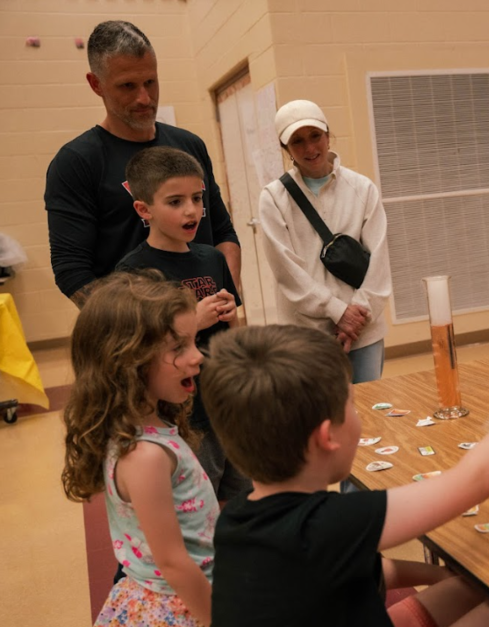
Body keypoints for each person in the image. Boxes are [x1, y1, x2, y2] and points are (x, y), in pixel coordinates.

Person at [202, 324, 489, 627]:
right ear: (327, 437)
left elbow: (369, 571)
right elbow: (476, 481)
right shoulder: (327, 525)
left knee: (473, 590)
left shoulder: (237, 517)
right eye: (353, 407)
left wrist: (442, 575)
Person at [60, 272, 217, 627]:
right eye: (178, 347)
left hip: (180, 598)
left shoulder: (145, 427)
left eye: (194, 341)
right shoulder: (145, 455)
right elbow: (172, 560)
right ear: (127, 362)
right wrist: (224, 626)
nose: (197, 356)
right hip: (182, 615)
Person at [45, 20, 240, 308]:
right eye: (128, 86)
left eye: (150, 82)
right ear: (95, 84)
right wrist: (150, 330)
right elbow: (71, 271)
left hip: (210, 331)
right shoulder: (77, 162)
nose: (144, 98)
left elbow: (222, 232)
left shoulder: (190, 145)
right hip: (140, 340)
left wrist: (225, 295)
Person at [117, 146, 252, 503]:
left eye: (197, 198)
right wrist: (194, 320)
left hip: (227, 406)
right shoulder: (134, 272)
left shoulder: (212, 257)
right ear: (144, 209)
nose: (191, 210)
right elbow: (139, 350)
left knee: (242, 499)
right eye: (175, 202)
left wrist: (230, 316)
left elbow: (229, 332)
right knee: (201, 503)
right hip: (185, 416)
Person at [258, 99, 392, 383]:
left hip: (363, 330)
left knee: (371, 416)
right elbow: (287, 272)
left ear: (328, 135)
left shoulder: (363, 189)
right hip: (306, 337)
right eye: (297, 141)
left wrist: (353, 320)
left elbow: (379, 263)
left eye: (315, 136)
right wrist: (337, 311)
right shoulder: (272, 199)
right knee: (319, 420)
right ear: (286, 150)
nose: (310, 148)